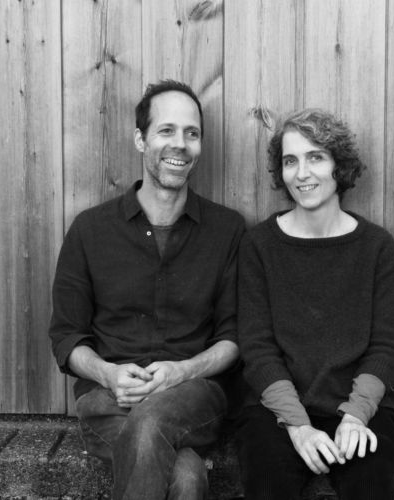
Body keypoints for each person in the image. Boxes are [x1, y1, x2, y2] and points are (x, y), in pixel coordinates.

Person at [49, 80, 245, 500]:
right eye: (166, 130)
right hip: (107, 399)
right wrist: (109, 373)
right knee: (187, 477)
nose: (181, 144)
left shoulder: (227, 230)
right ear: (141, 139)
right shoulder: (90, 230)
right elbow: (66, 337)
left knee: (152, 420)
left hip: (194, 395)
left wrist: (182, 371)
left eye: (192, 133)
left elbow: (234, 338)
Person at [236, 108, 394, 499]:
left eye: (315, 157)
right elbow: (257, 348)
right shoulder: (259, 245)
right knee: (268, 484)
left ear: (338, 166)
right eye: (290, 161)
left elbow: (386, 345)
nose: (302, 173)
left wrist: (356, 416)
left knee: (369, 484)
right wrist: (298, 426)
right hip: (276, 410)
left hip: (361, 405)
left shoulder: (376, 246)